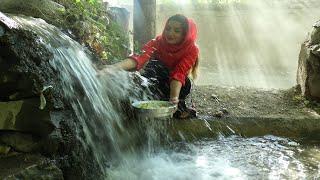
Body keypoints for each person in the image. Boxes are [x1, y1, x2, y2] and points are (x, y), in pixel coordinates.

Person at [108, 14, 199, 119]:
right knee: (153, 67)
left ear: (185, 34)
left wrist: (173, 98)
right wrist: (112, 68)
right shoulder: (158, 42)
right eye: (168, 29)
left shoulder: (192, 49)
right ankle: (142, 100)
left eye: (177, 31)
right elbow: (139, 57)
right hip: (156, 81)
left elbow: (179, 73)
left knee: (182, 83)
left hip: (177, 86)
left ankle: (178, 106)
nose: (170, 33)